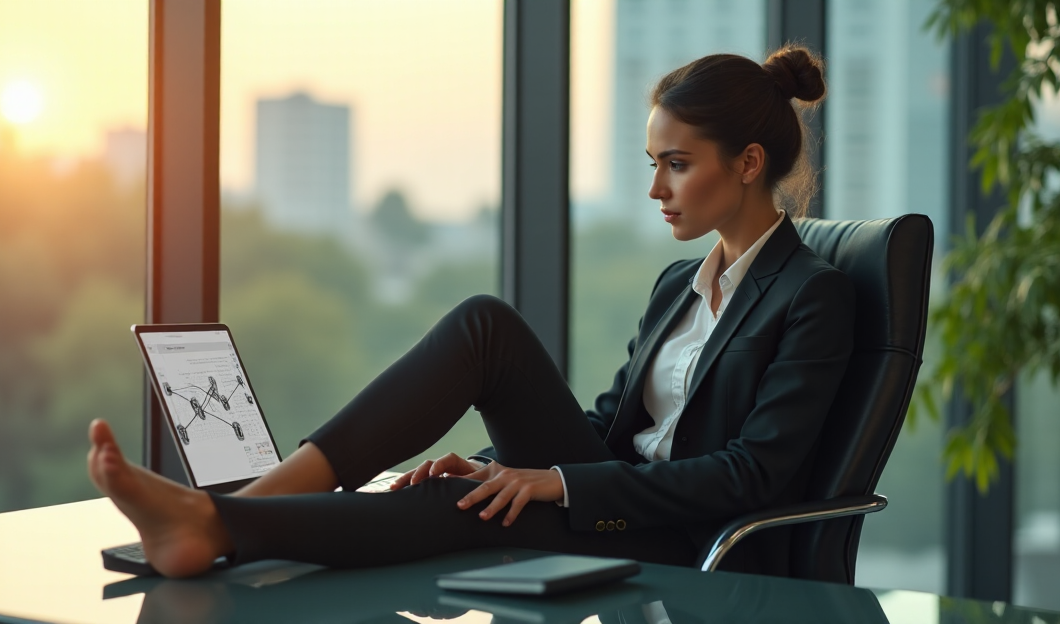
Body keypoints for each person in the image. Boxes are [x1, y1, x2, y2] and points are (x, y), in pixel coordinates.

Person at [86, 45, 854, 579]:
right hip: (607, 497)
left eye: (677, 165)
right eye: (652, 164)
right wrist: (502, 465)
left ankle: (220, 526)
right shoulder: (677, 285)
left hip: (682, 540)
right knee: (481, 350)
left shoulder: (809, 295)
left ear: (748, 164)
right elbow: (609, 428)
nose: (656, 189)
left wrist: (557, 485)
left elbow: (753, 474)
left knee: (465, 505)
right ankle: (237, 515)